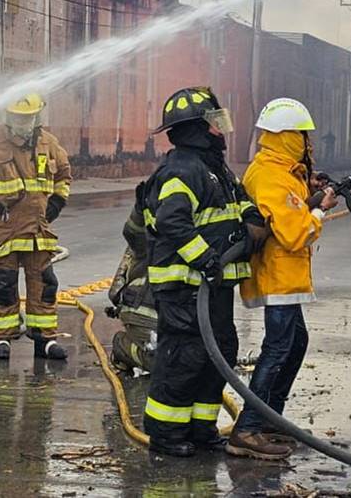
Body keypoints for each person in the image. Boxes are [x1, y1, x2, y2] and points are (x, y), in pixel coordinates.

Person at [139, 86, 267, 458]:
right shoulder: (182, 170)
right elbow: (173, 222)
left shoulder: (214, 169)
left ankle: (200, 428)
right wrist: (209, 260)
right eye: (213, 122)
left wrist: (253, 225)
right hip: (184, 286)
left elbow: (244, 206)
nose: (219, 129)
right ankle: (165, 433)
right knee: (184, 358)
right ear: (196, 128)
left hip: (212, 286)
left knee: (219, 353)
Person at [226, 98, 338, 461]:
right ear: (289, 136)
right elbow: (294, 232)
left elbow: (287, 208)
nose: (309, 143)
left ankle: (270, 420)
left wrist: (308, 191)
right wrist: (319, 210)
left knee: (295, 342)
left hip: (284, 277)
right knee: (278, 349)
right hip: (278, 277)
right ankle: (249, 429)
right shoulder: (272, 175)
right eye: (304, 135)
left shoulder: (277, 169)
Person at [0, 93, 72, 361]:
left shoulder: (48, 143)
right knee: (4, 285)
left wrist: (57, 201)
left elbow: (65, 174)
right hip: (5, 230)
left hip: (38, 233)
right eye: (18, 117)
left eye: (28, 117)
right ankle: (2, 339)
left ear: (36, 117)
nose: (23, 123)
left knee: (44, 285)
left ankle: (44, 339)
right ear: (8, 117)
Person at [105, 192, 158, 373]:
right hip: (144, 309)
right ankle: (123, 347)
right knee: (166, 366)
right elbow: (132, 232)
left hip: (177, 314)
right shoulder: (146, 239)